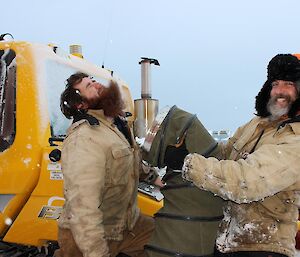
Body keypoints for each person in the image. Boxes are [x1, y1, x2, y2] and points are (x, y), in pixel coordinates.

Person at [181, 54, 300, 257]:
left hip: (265, 248)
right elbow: (224, 154)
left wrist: (190, 165)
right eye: (276, 83)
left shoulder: (295, 140)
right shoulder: (257, 125)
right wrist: (187, 146)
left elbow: (247, 182)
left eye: (289, 83)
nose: (280, 91)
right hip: (227, 242)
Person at [54, 72, 156, 257]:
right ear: (81, 105)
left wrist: (154, 177)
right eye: (88, 86)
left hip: (127, 226)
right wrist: (96, 252)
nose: (96, 84)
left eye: (93, 80)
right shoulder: (84, 138)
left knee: (168, 238)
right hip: (90, 236)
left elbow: (127, 163)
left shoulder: (114, 125)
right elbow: (83, 207)